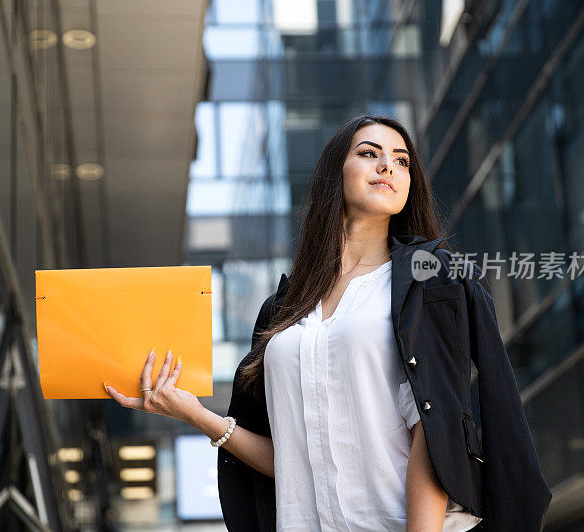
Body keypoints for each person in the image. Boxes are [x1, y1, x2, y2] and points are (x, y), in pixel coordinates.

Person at [105, 113, 552, 531]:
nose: (387, 166)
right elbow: (294, 459)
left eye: (401, 161)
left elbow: (433, 432)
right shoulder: (283, 310)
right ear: (334, 173)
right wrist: (196, 415)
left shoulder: (428, 282)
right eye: (368, 153)